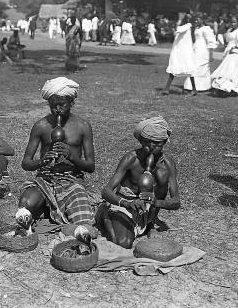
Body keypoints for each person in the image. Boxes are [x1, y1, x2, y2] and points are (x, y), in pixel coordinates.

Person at [18, 77, 95, 226]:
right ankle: (47, 205)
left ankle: (50, 209)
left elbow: (90, 166)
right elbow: (26, 163)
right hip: (45, 179)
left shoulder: (83, 126)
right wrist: (43, 161)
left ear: (71, 102)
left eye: (62, 105)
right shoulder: (41, 126)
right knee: (26, 204)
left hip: (71, 180)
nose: (57, 109)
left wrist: (72, 157)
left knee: (84, 223)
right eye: (53, 106)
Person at [95, 117, 180, 249]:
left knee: (159, 187)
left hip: (148, 212)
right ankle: (106, 214)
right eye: (147, 143)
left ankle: (149, 224)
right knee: (123, 243)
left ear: (164, 142)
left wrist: (156, 202)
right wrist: (127, 203)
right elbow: (106, 191)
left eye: (157, 144)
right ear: (140, 141)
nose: (151, 148)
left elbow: (176, 202)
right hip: (124, 207)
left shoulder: (168, 165)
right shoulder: (132, 159)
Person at [211, 17, 238, 96]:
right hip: (229, 51)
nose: (233, 24)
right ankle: (223, 88)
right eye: (231, 22)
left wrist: (236, 47)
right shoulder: (229, 30)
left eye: (234, 22)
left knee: (232, 70)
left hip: (236, 52)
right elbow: (226, 40)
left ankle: (232, 88)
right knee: (227, 69)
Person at [162, 14, 197, 96]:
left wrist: (176, 23)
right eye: (186, 17)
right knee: (175, 67)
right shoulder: (185, 26)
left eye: (189, 18)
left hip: (184, 52)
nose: (187, 19)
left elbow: (179, 29)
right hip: (179, 51)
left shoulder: (188, 25)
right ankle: (166, 89)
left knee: (188, 69)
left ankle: (194, 89)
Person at [184, 15, 218, 92]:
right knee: (194, 66)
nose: (196, 22)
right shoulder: (197, 28)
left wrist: (211, 54)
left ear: (202, 20)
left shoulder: (206, 29)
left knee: (201, 67)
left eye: (198, 20)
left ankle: (203, 87)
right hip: (196, 49)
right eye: (195, 20)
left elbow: (210, 41)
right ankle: (191, 86)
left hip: (203, 51)